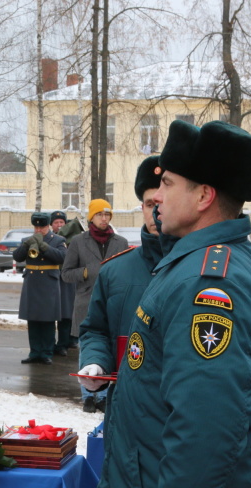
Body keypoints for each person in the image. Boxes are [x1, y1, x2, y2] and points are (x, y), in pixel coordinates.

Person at [94, 120, 251, 488]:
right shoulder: (199, 262)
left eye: (168, 183)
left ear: (204, 197)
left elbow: (204, 435)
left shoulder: (208, 282)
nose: (156, 196)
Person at [78, 155, 174, 422]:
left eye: (163, 202)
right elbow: (96, 328)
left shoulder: (200, 266)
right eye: (149, 203)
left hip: (180, 414)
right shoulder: (114, 271)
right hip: (125, 412)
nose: (156, 211)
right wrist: (96, 362)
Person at [63, 198, 128, 411]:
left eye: (107, 215)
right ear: (92, 217)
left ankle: (105, 395)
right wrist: (85, 272)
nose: (104, 218)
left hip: (114, 305)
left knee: (111, 348)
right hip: (87, 303)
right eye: (100, 214)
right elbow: (66, 274)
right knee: (88, 349)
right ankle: (88, 396)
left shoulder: (120, 242)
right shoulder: (78, 242)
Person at [13, 212, 67, 365]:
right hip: (32, 281)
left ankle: (46, 352)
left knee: (48, 319)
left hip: (49, 282)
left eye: (42, 227)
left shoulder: (58, 240)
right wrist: (26, 245)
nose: (38, 230)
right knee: (33, 319)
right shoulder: (27, 240)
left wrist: (44, 246)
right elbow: (17, 257)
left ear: (48, 226)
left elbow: (62, 257)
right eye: (36, 227)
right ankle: (34, 352)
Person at [50, 210, 74, 357]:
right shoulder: (49, 238)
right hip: (52, 278)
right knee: (51, 314)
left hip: (67, 279)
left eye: (61, 222)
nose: (59, 225)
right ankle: (49, 344)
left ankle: (64, 344)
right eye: (56, 222)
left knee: (66, 313)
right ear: (51, 225)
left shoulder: (72, 237)